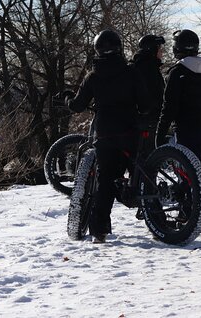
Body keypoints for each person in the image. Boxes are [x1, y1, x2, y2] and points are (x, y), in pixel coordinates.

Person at [63, 29, 148, 243]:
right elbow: (146, 105)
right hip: (130, 131)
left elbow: (78, 105)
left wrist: (65, 99)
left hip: (105, 134)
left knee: (105, 180)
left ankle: (99, 231)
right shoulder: (132, 72)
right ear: (119, 47)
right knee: (142, 172)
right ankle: (154, 216)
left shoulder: (93, 76)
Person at [155, 29, 201, 160]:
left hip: (186, 129)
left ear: (177, 48)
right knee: (200, 165)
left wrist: (160, 133)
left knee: (189, 171)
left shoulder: (176, 72)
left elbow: (169, 106)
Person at [131, 34, 166, 157]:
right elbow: (156, 95)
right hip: (148, 121)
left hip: (139, 120)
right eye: (159, 49)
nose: (162, 52)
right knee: (148, 161)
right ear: (152, 50)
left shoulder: (139, 66)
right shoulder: (149, 69)